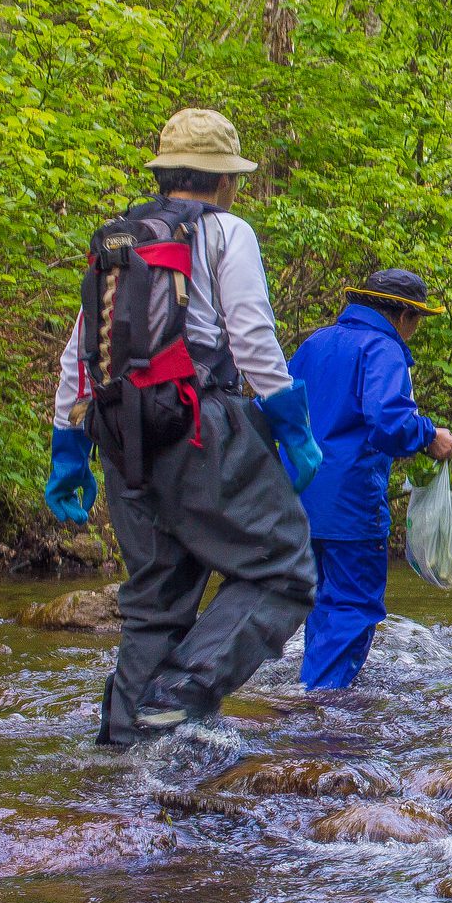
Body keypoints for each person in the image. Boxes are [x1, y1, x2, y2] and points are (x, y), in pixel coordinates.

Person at [44, 109, 322, 746]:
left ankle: (123, 750)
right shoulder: (226, 232)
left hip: (119, 433)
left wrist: (69, 448)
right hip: (200, 427)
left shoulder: (119, 238)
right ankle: (183, 691)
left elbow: (77, 355)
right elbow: (251, 337)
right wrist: (291, 424)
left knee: (157, 600)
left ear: (164, 172)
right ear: (224, 181)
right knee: (284, 569)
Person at [288, 269, 452, 689]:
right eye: (418, 321)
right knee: (351, 605)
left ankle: (311, 692)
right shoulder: (383, 348)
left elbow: (274, 406)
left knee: (319, 601)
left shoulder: (314, 343)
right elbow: (389, 421)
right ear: (403, 315)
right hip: (351, 502)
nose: (415, 331)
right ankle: (321, 708)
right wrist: (428, 435)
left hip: (295, 497)